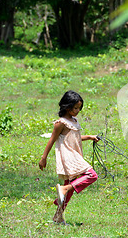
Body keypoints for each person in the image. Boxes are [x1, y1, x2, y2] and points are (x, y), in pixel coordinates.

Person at [39, 90, 99, 224]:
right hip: (68, 156)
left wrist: (89, 137)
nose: (77, 111)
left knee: (69, 188)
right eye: (75, 108)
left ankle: (58, 217)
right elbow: (52, 140)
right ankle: (64, 189)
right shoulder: (60, 123)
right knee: (91, 175)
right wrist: (44, 157)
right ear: (67, 106)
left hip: (75, 153)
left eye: (79, 108)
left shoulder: (74, 120)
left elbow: (75, 138)